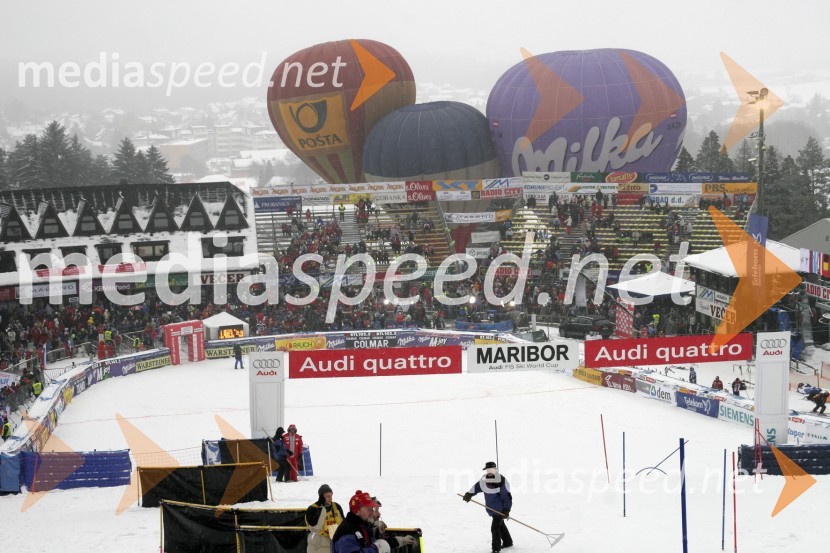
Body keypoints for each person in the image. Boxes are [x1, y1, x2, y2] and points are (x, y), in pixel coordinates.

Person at [462, 462, 513, 553]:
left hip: (500, 509)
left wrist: (507, 509)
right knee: (500, 525)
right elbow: (477, 487)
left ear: (495, 469)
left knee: (495, 528)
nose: (490, 471)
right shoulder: (484, 479)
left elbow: (506, 497)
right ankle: (507, 542)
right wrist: (469, 494)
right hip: (491, 508)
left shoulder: (501, 481)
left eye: (492, 469)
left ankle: (496, 549)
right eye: (488, 470)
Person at [305, 484, 345, 553]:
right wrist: (322, 508)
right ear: (321, 497)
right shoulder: (313, 508)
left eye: (331, 496)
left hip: (334, 541)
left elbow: (343, 523)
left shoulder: (336, 506)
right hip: (318, 544)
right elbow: (315, 527)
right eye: (328, 496)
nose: (331, 498)